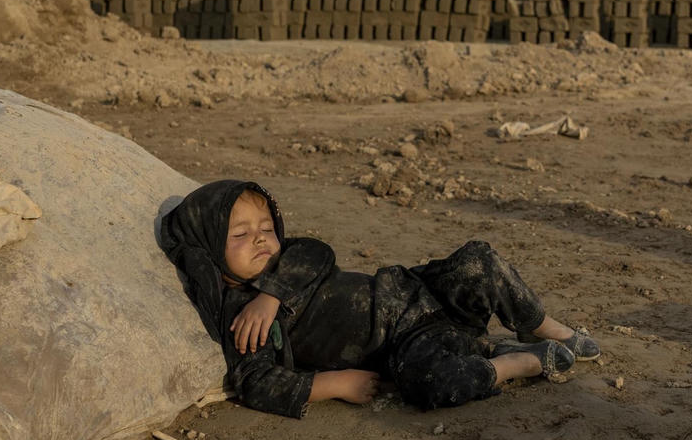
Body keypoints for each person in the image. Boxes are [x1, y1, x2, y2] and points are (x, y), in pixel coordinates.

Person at [159, 179, 600, 418]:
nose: (259, 239)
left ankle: (538, 323)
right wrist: (333, 385)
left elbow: (318, 250)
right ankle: (513, 361)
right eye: (239, 234)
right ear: (209, 250)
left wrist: (272, 294)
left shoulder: (289, 261)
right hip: (407, 345)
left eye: (266, 228)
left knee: (477, 261)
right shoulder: (242, 319)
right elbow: (255, 382)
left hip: (414, 288)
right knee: (435, 385)